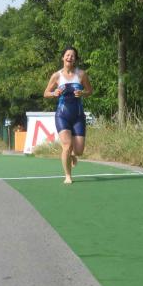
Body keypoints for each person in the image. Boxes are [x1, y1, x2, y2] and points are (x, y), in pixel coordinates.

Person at [44, 46, 93, 184]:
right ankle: (68, 176)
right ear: (63, 57)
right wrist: (54, 93)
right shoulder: (56, 76)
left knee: (79, 151)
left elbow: (90, 91)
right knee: (66, 145)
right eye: (67, 55)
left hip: (78, 115)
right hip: (62, 115)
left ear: (75, 59)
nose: (69, 57)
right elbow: (46, 93)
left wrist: (82, 93)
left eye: (72, 56)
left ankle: (73, 154)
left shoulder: (81, 74)